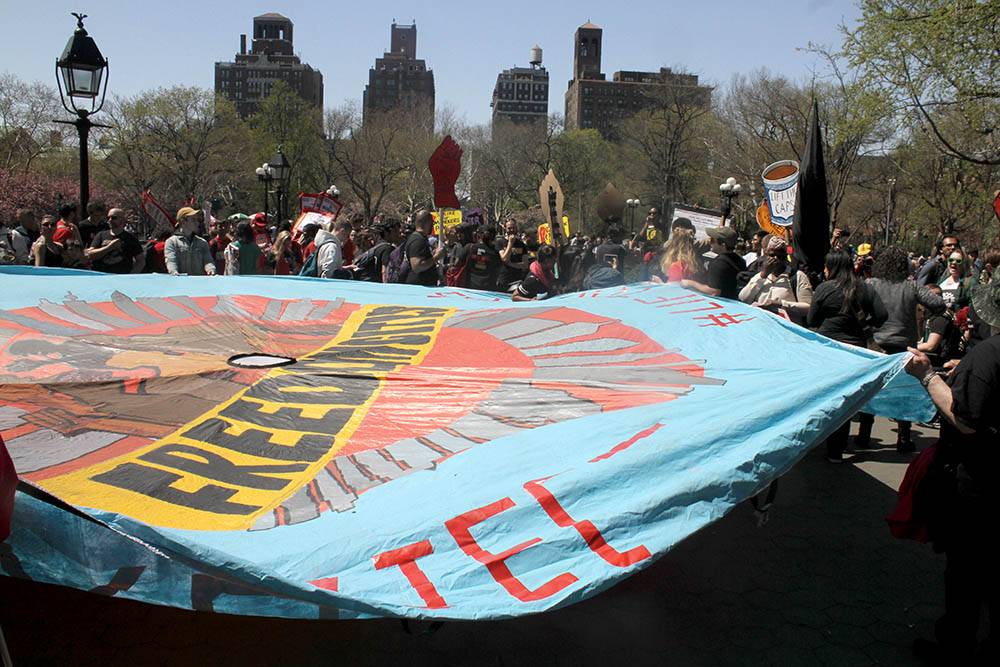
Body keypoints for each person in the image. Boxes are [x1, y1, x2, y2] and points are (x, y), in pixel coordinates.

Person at [904, 279, 1000, 662]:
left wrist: (927, 376)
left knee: (966, 576)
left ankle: (955, 648)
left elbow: (965, 420)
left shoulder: (990, 355)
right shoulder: (985, 359)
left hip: (981, 486)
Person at [857, 246, 946, 452]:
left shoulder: (870, 284)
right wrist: (924, 316)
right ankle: (904, 438)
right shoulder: (911, 287)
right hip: (904, 344)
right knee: (904, 390)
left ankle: (863, 435)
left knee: (871, 389)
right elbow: (938, 304)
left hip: (875, 343)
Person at [807, 250, 888, 462]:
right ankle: (837, 450)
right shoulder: (865, 288)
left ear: (830, 267)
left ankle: (815, 441)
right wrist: (865, 327)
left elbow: (812, 319)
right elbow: (882, 315)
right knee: (846, 400)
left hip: (827, 350)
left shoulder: (824, 289)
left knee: (825, 397)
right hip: (856, 352)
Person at [738, 235, 813, 325]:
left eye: (780, 256)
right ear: (766, 256)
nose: (776, 259)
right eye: (772, 255)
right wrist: (763, 275)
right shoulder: (760, 276)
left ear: (785, 257)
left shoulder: (797, 276)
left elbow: (808, 307)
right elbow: (743, 298)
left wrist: (781, 304)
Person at [681, 226, 747, 300]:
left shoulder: (718, 264)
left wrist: (691, 283)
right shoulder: (740, 261)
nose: (710, 242)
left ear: (723, 246)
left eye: (712, 240)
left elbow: (714, 292)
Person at [86, 208, 144, 274]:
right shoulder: (101, 235)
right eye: (108, 218)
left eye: (113, 218)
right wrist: (109, 247)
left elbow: (141, 261)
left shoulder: (130, 239)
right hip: (101, 276)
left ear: (122, 220)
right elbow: (89, 255)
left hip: (120, 277)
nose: (110, 220)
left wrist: (130, 276)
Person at [165, 207, 215, 275]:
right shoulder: (171, 242)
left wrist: (211, 270)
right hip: (181, 283)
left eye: (197, 220)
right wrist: (174, 272)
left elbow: (208, 261)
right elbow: (171, 261)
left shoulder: (202, 243)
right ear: (183, 221)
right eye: (193, 220)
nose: (197, 223)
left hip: (200, 283)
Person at [405, 210, 446, 287]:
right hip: (418, 287)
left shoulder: (421, 239)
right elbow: (417, 266)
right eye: (432, 223)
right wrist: (436, 257)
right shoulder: (417, 240)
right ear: (427, 223)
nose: (433, 226)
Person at [457, 225, 502, 291]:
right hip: (489, 288)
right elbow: (498, 270)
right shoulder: (495, 253)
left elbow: (457, 263)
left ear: (478, 235)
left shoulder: (469, 247)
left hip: (469, 287)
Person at [497, 220, 531, 292]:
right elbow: (504, 259)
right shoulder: (500, 242)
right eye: (509, 228)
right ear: (505, 229)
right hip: (504, 280)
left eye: (513, 228)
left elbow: (525, 265)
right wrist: (510, 243)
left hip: (517, 279)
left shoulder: (522, 245)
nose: (512, 230)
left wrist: (511, 264)